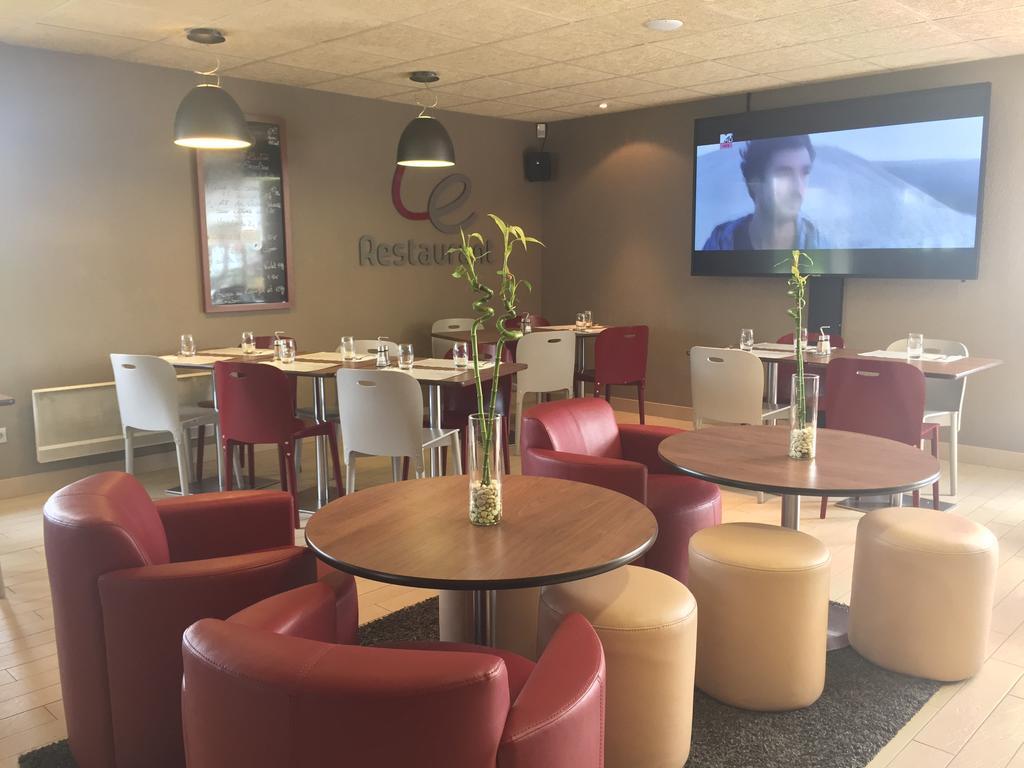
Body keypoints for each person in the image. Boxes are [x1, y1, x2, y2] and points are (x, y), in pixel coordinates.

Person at [703, 135, 829, 251]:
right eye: (784, 174)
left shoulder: (821, 246)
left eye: (805, 173)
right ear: (754, 183)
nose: (798, 187)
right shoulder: (719, 244)